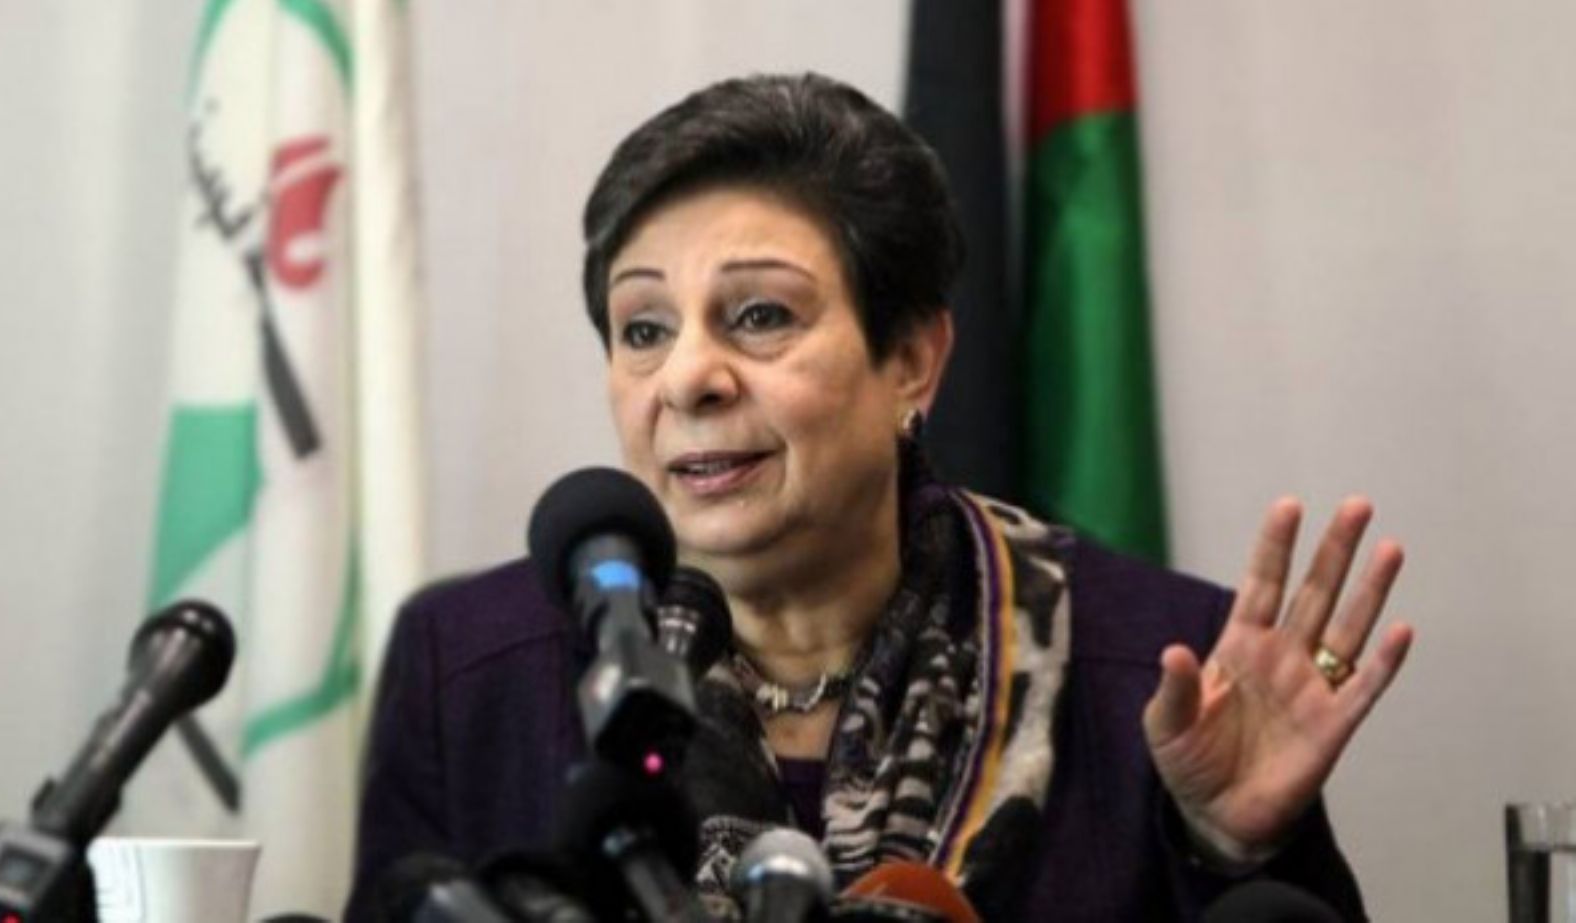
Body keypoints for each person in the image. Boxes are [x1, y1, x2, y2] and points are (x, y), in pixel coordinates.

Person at [346, 73, 1413, 921]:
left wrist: (1235, 846)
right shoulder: (468, 671)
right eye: (644, 329)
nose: (688, 378)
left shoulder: (1160, 669)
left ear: (911, 359)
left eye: (759, 315)